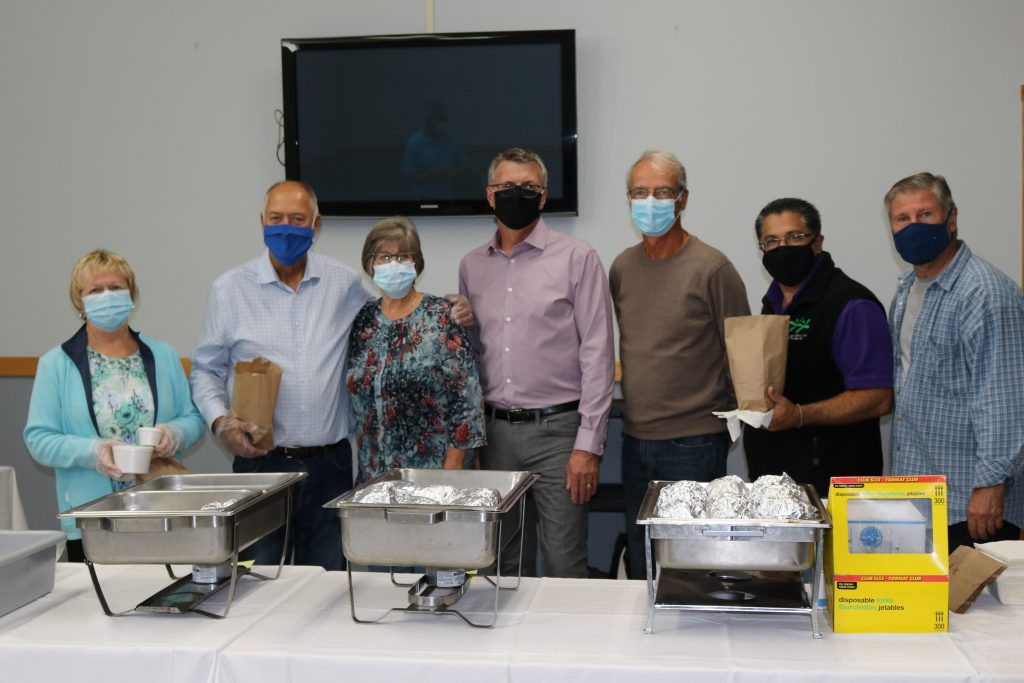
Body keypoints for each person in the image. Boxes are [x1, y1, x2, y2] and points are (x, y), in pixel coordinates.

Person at [190, 180, 476, 570]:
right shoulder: (228, 290)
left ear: (316, 224)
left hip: (331, 467)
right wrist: (221, 421)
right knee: (259, 578)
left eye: (297, 219)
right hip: (262, 465)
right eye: (276, 219)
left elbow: (397, 315)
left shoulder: (343, 285)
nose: (286, 227)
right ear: (261, 221)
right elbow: (205, 370)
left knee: (326, 585)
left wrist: (453, 307)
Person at [459, 147, 615, 579]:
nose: (517, 194)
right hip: (494, 437)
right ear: (490, 196)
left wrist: (588, 445)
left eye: (528, 188)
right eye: (507, 187)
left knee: (564, 562)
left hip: (559, 435)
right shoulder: (472, 265)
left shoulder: (577, 257)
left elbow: (598, 353)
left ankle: (566, 649)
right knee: (504, 564)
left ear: (543, 197)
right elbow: (471, 355)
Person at [609, 150, 750, 579]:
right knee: (642, 559)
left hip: (693, 443)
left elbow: (741, 352)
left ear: (683, 198)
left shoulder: (712, 268)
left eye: (662, 192)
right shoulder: (622, 267)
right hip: (633, 440)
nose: (649, 202)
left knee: (691, 566)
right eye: (639, 192)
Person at [24, 249, 205, 562]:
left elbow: (193, 419)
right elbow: (39, 440)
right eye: (95, 290)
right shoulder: (56, 364)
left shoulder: (163, 355)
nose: (107, 295)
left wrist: (173, 433)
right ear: (80, 302)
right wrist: (93, 452)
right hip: (93, 520)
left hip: (161, 512)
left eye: (116, 287)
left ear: (131, 295)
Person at [885, 172, 1024, 550]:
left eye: (925, 214)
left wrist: (991, 485)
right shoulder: (907, 290)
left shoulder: (986, 293)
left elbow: (1003, 398)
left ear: (952, 218)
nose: (913, 226)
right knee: (925, 609)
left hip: (972, 504)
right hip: (918, 497)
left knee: (975, 610)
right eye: (902, 219)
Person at [743, 198, 893, 498]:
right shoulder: (771, 301)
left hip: (833, 484)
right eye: (771, 241)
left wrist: (799, 415)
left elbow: (878, 399)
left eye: (795, 237)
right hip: (776, 482)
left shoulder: (851, 304)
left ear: (817, 242)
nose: (782, 248)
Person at [347, 216, 486, 482]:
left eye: (403, 256)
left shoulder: (442, 316)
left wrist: (452, 474)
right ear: (370, 264)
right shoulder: (362, 320)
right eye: (384, 257)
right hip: (374, 476)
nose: (394, 264)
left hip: (435, 476)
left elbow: (468, 404)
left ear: (416, 263)